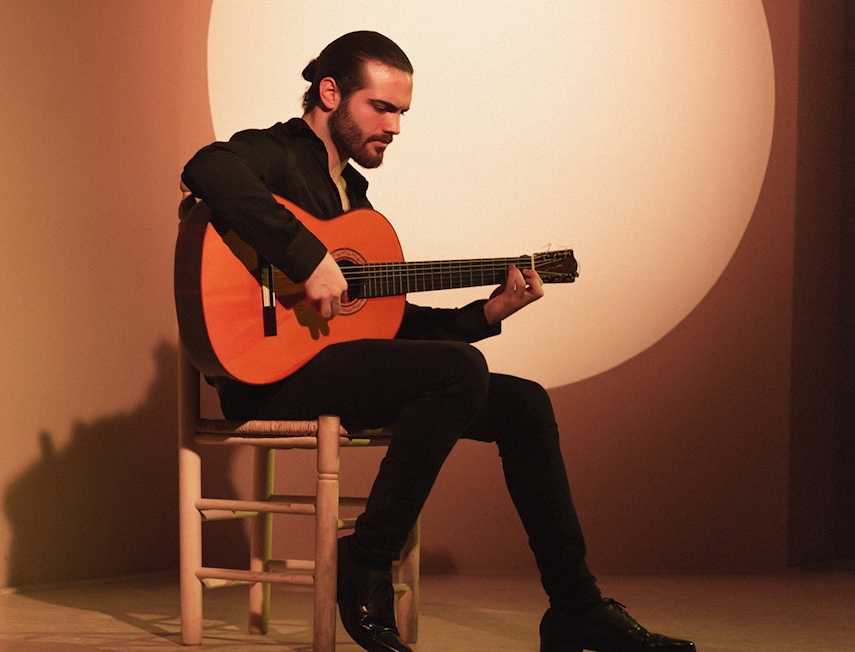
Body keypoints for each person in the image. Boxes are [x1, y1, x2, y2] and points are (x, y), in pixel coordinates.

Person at [181, 30, 696, 652]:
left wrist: (487, 312)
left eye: (402, 112)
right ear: (330, 93)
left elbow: (386, 325)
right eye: (381, 108)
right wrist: (306, 256)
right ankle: (367, 559)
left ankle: (575, 604)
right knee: (458, 369)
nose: (394, 127)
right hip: (266, 376)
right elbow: (206, 167)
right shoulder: (276, 152)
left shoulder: (354, 197)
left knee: (524, 403)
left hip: (332, 369)